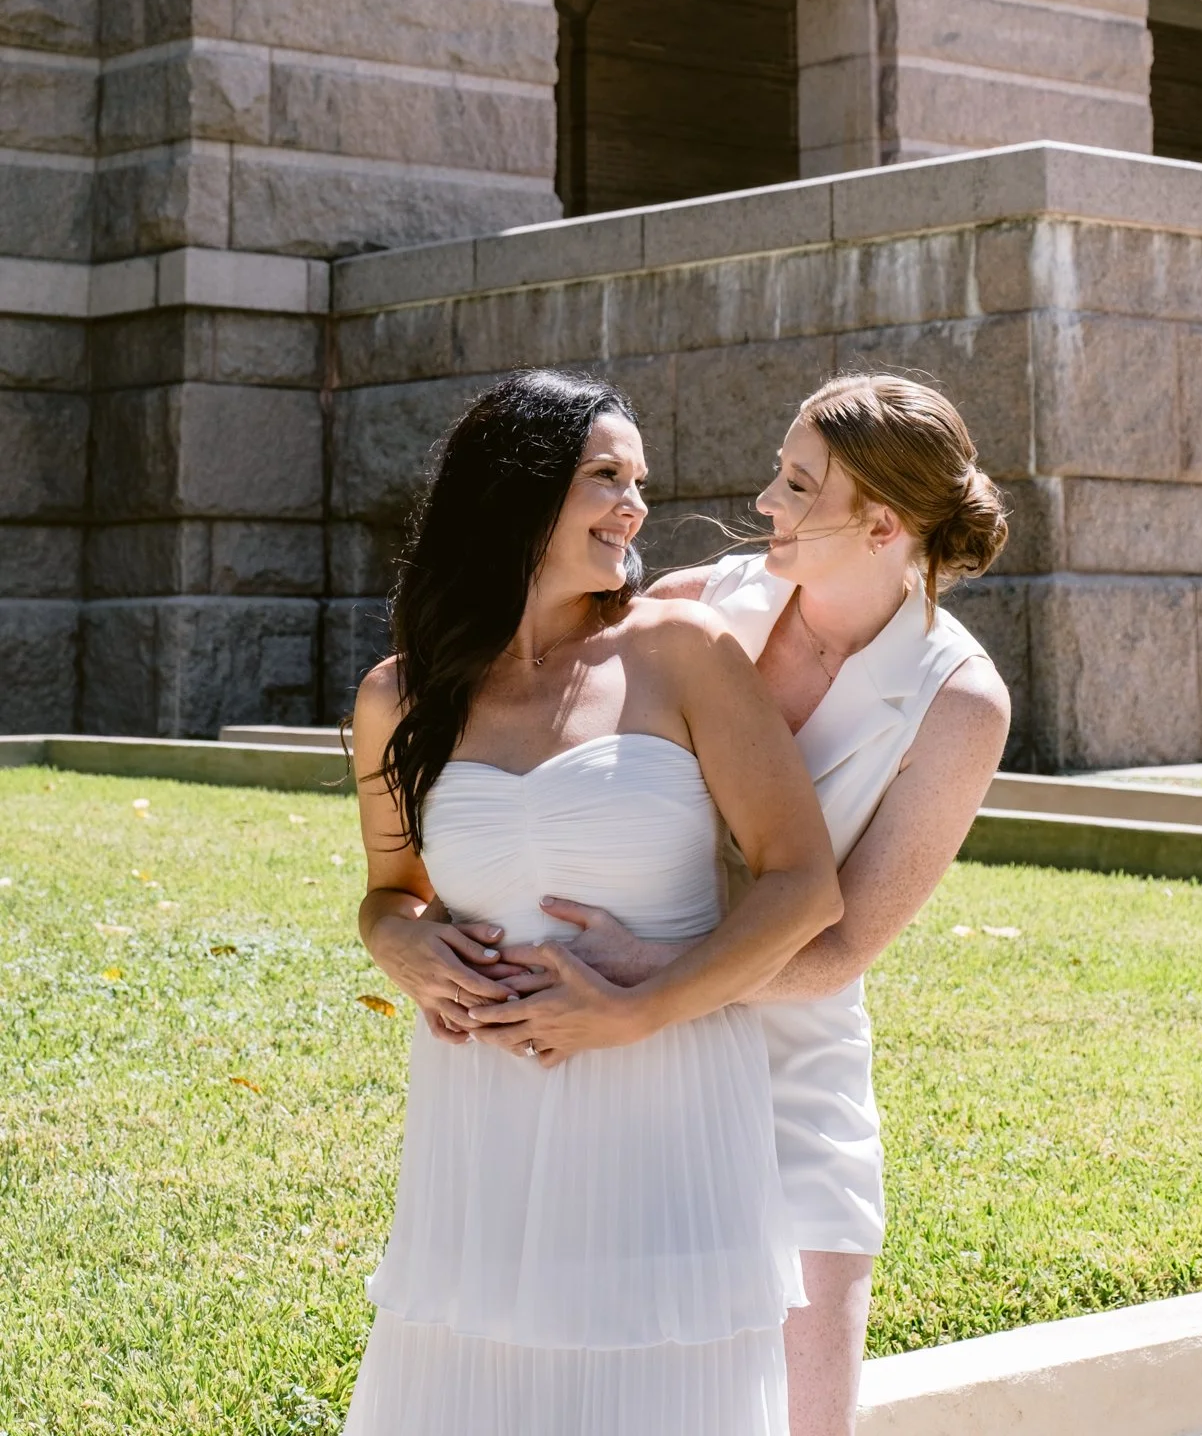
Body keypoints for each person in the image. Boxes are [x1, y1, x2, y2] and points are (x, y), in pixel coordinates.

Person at [472, 373, 1011, 1436]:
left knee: (805, 1419)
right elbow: (527, 715)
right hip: (621, 1058)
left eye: (798, 483)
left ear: (883, 525)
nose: (764, 499)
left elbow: (841, 944)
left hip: (789, 1080)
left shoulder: (957, 699)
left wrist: (655, 974)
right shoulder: (698, 602)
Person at [343, 368, 843, 1436]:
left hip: (664, 1111)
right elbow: (390, 894)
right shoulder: (402, 695)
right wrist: (404, 947)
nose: (635, 505)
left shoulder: (680, 653)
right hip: (479, 1130)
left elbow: (802, 881)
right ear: (514, 491)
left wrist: (636, 1008)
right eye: (605, 476)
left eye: (639, 480)